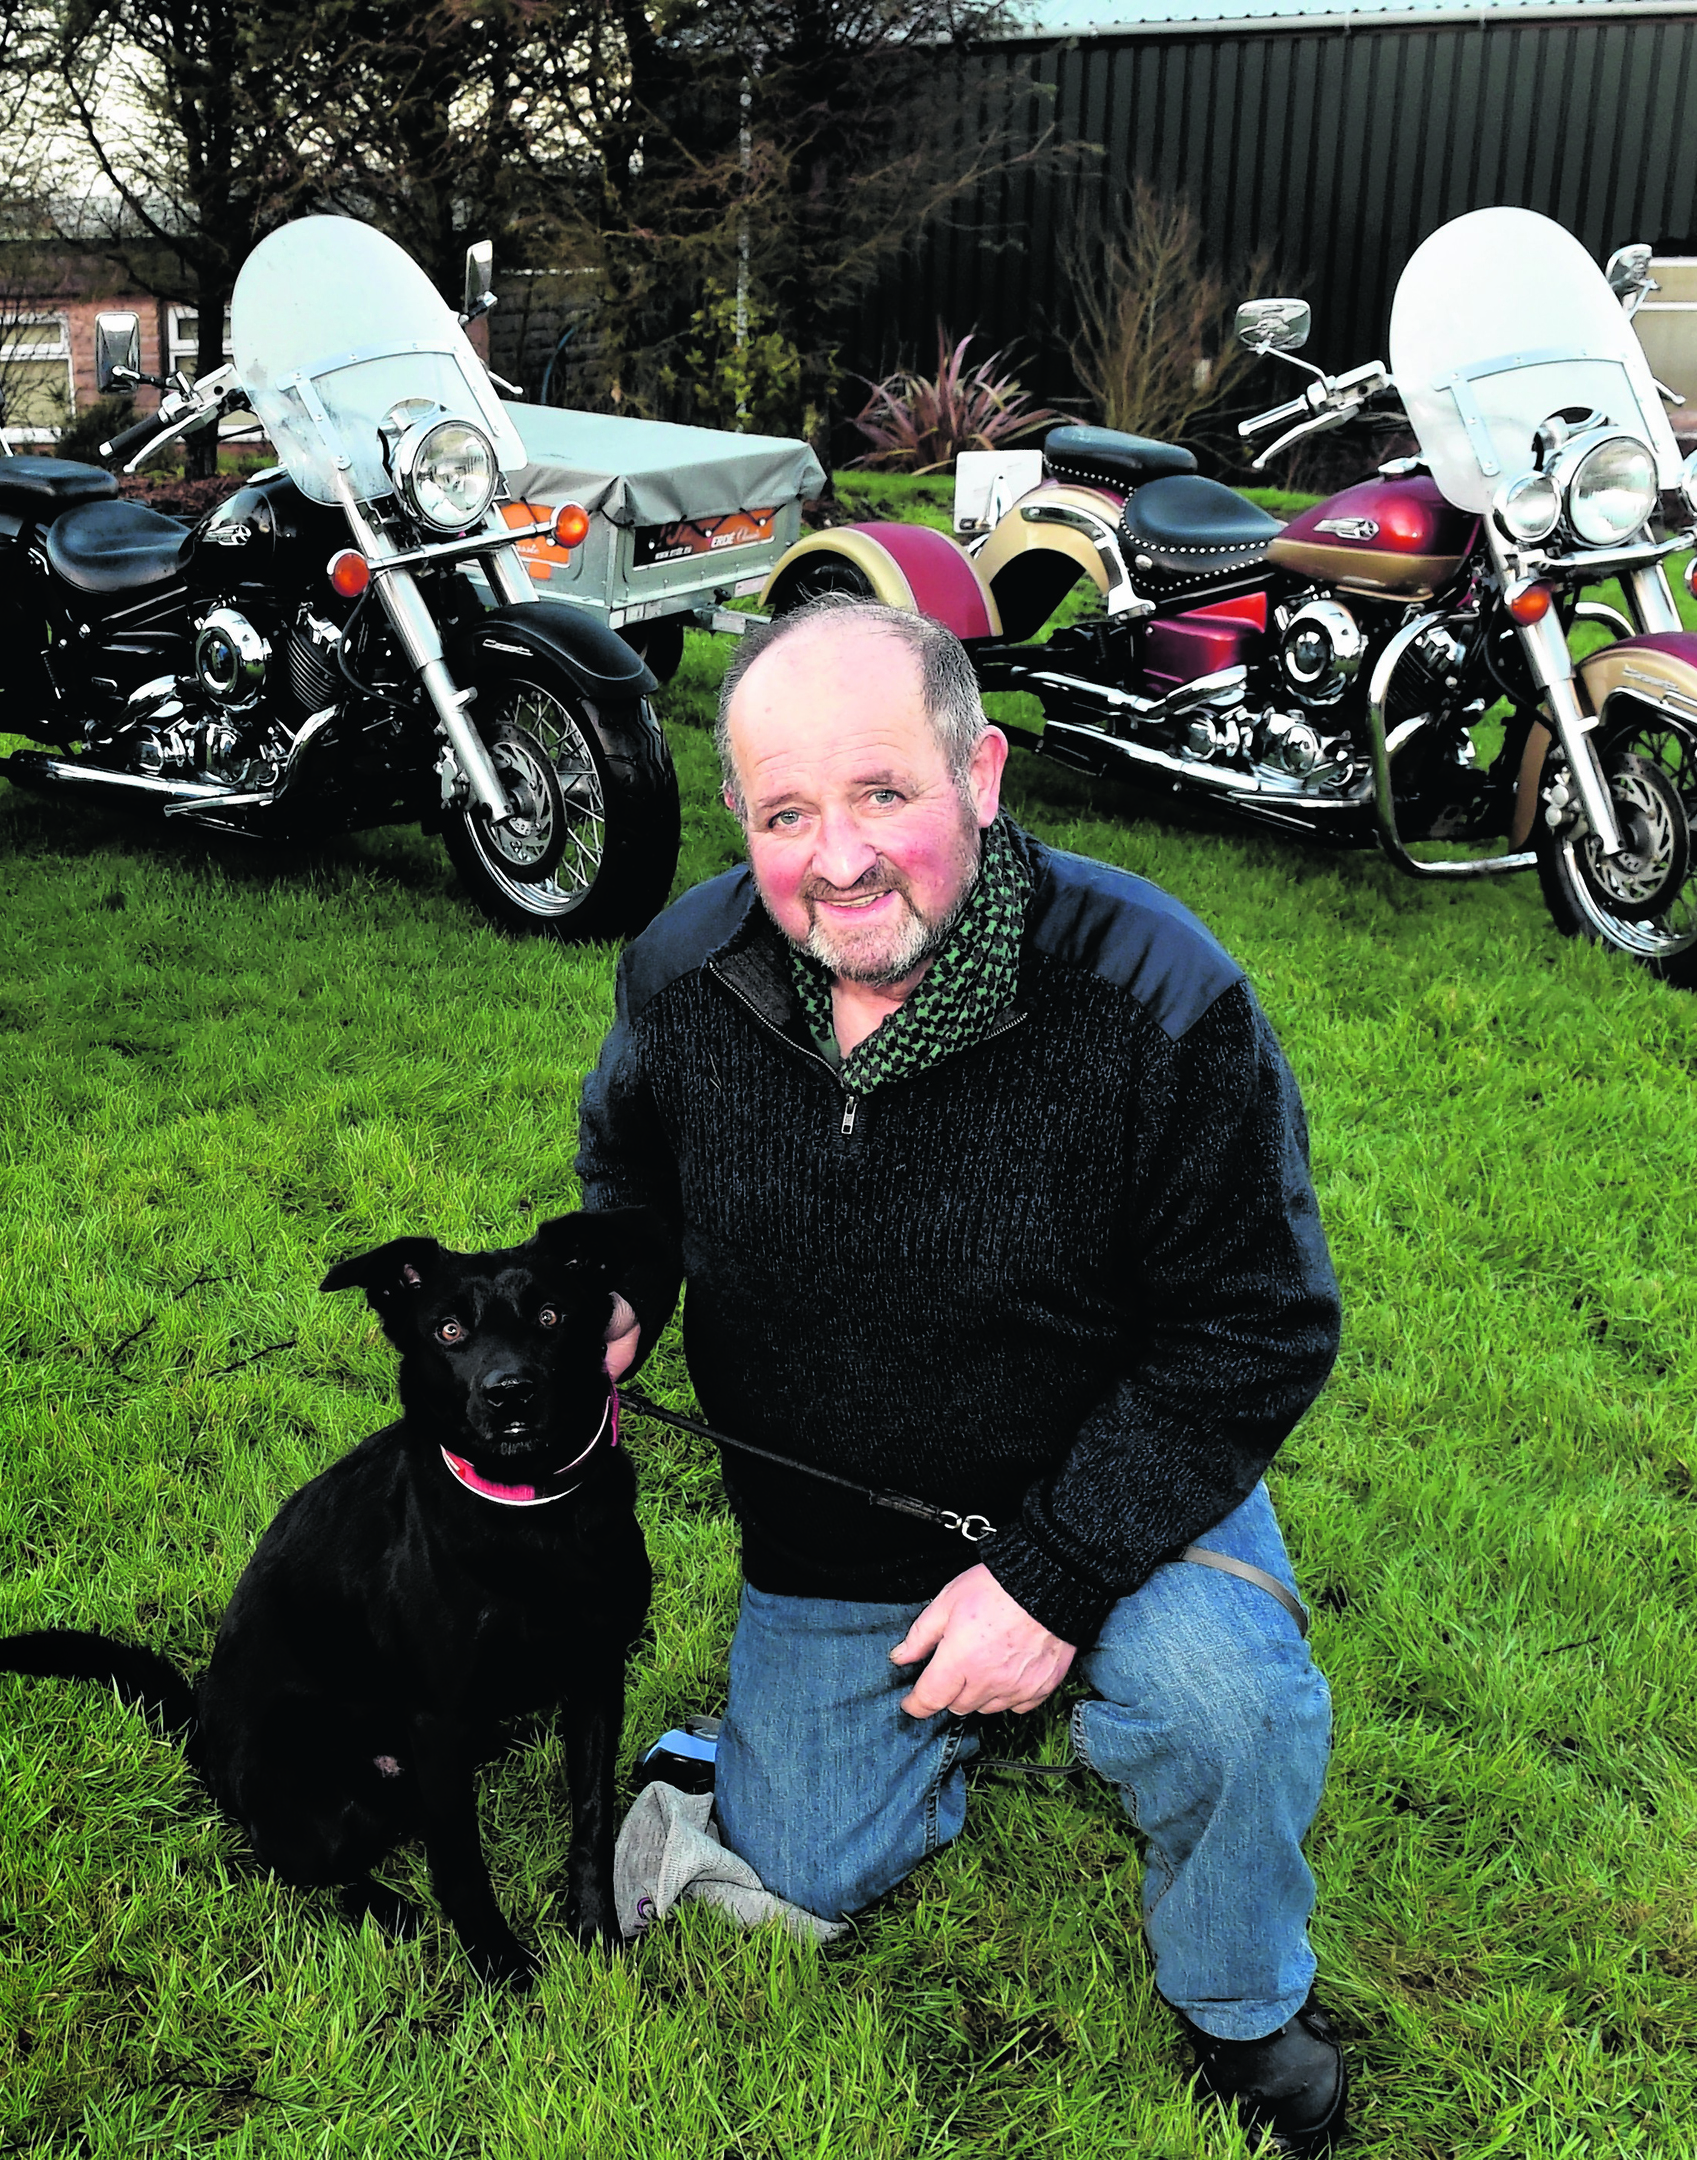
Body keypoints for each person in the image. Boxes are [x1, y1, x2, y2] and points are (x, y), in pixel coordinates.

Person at [578, 594, 1350, 2155]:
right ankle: (844, 1728)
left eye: (882, 795)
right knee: (797, 1869)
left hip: (1121, 1513)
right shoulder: (680, 972)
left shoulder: (1154, 992)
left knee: (1225, 1713)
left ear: (980, 776)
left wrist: (1054, 1576)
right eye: (787, 812)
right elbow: (628, 1175)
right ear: (738, 815)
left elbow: (1258, 1322)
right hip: (835, 1538)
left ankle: (1244, 2006)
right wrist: (620, 1290)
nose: (838, 860)